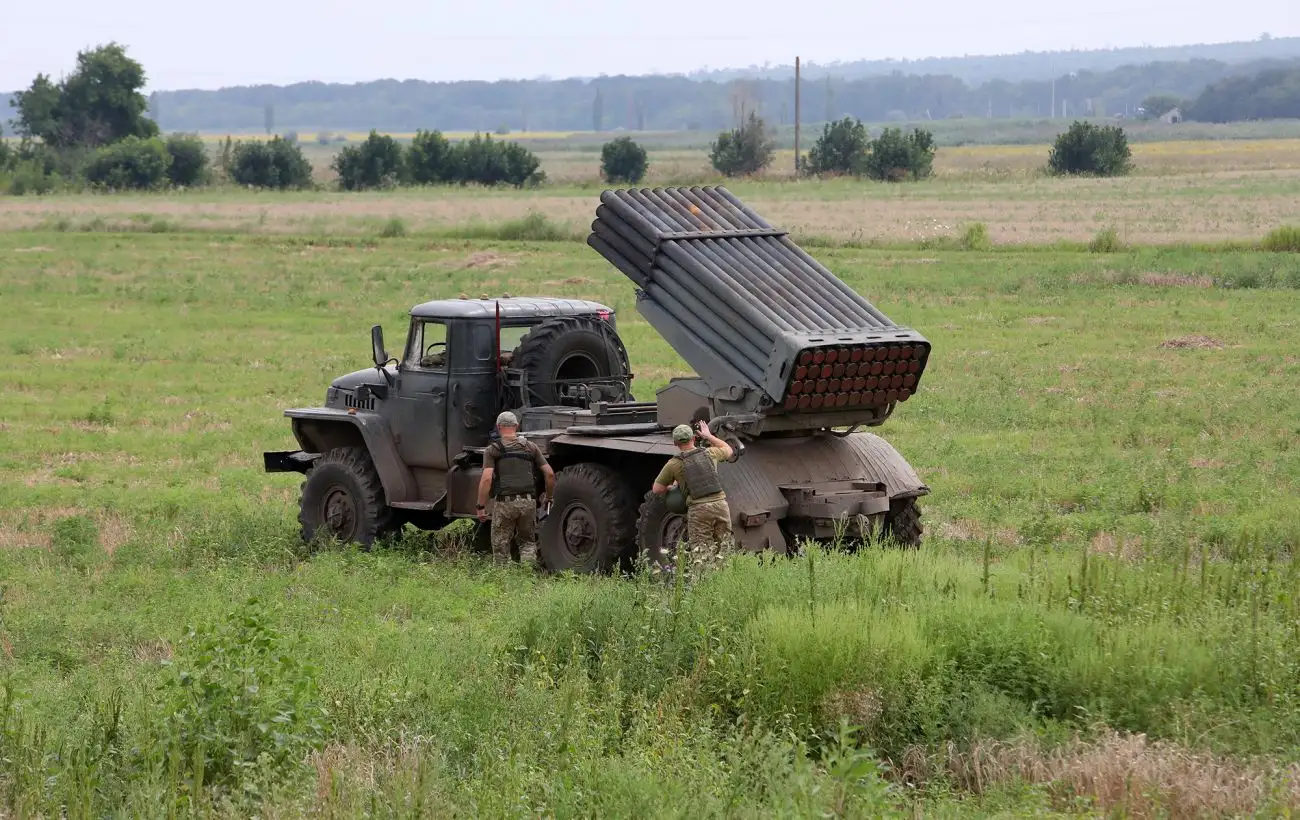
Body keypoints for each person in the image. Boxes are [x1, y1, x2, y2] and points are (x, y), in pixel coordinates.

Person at [651, 420, 734, 572]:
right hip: (721, 505)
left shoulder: (674, 464)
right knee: (725, 548)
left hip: (699, 510)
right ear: (694, 439)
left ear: (675, 443)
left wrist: (672, 487)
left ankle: (703, 587)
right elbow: (728, 450)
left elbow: (657, 489)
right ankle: (725, 582)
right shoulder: (710, 453)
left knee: (701, 553)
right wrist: (709, 436)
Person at [477, 411, 555, 567]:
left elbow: (486, 478)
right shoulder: (531, 447)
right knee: (527, 542)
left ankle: (504, 581)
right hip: (528, 502)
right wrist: (549, 497)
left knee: (500, 545)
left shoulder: (493, 450)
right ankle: (527, 575)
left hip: (505, 503)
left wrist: (480, 506)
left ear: (499, 427)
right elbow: (550, 474)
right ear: (517, 426)